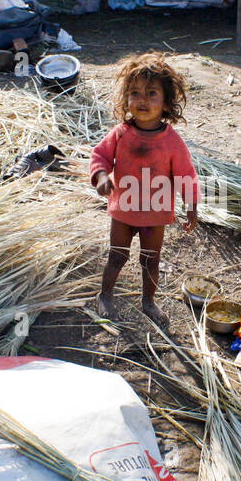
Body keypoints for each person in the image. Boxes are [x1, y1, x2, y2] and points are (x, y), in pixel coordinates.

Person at [90, 53, 200, 326]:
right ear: (126, 98)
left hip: (154, 214)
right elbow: (99, 156)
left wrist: (191, 205)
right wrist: (101, 176)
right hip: (124, 210)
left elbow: (186, 173)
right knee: (117, 255)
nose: (142, 100)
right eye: (135, 93)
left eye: (152, 94)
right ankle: (104, 295)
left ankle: (148, 301)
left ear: (166, 103)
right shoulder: (120, 133)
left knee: (151, 260)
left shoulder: (172, 141)